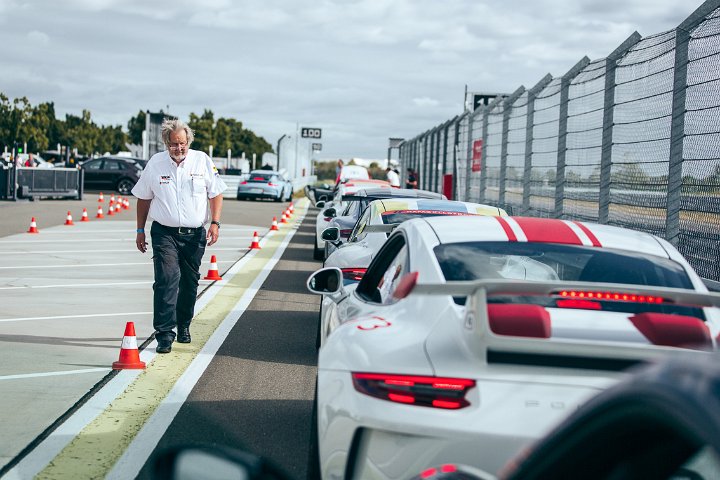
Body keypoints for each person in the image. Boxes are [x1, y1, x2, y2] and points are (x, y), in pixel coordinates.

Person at [131, 119, 227, 354]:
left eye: (182, 143)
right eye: (174, 144)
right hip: (164, 233)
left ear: (188, 141)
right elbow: (143, 198)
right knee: (166, 279)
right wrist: (140, 230)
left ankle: (183, 324)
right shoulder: (156, 164)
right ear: (166, 143)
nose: (179, 148)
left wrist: (215, 223)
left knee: (189, 283)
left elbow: (216, 193)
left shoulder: (202, 160)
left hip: (194, 236)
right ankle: (164, 334)